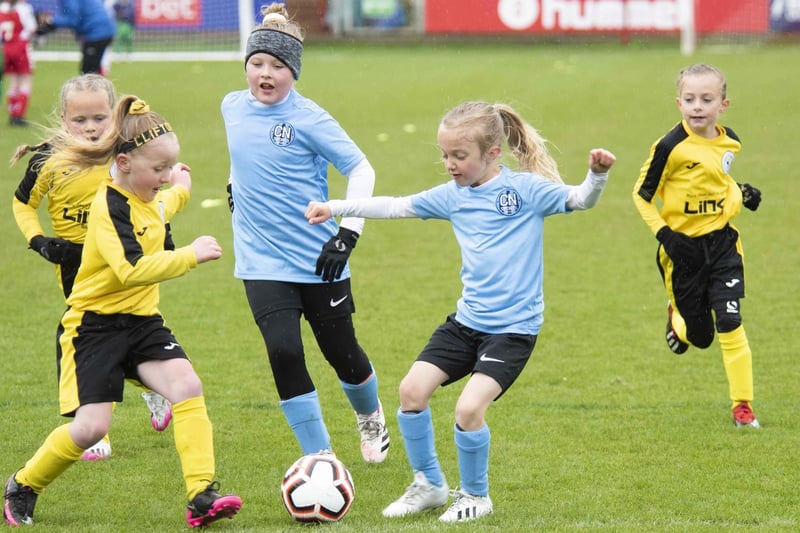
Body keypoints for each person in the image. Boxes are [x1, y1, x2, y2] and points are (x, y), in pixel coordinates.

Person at [305, 101, 616, 522]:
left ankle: (475, 496)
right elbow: (395, 205)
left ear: (492, 153)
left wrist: (597, 175)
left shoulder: (524, 190)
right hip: (466, 323)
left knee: (469, 410)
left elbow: (581, 199)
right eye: (445, 155)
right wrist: (336, 208)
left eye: (459, 156)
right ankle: (429, 485)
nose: (449, 164)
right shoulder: (452, 197)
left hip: (513, 331)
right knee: (411, 391)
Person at [3, 95, 243, 528]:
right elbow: (131, 269)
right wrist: (190, 254)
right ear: (126, 162)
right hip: (93, 326)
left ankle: (201, 496)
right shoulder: (108, 207)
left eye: (170, 168)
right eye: (159, 170)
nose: (164, 178)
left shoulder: (145, 192)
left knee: (187, 385)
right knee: (91, 429)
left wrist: (181, 188)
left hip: (142, 322)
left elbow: (164, 204)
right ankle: (23, 484)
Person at [221, 3, 390, 464]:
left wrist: (348, 234)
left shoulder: (310, 118)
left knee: (343, 354)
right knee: (283, 351)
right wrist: (234, 186)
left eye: (277, 66)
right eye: (257, 64)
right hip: (260, 259)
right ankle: (320, 458)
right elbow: (243, 156)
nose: (265, 73)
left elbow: (361, 168)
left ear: (294, 70)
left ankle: (370, 415)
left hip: (319, 257)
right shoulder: (231, 106)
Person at [12, 74, 173, 462]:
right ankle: (144, 386)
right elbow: (23, 204)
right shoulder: (48, 159)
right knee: (97, 337)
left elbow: (156, 192)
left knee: (111, 332)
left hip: (125, 254)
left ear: (114, 116)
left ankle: (95, 424)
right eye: (79, 120)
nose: (90, 128)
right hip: (74, 261)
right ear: (64, 118)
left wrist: (164, 233)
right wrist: (38, 240)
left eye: (99, 118)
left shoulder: (125, 152)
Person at [632, 63, 762, 428]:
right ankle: (677, 320)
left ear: (724, 104)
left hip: (723, 246)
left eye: (707, 99)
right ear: (678, 102)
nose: (697, 106)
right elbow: (641, 196)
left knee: (731, 321)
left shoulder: (729, 141)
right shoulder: (669, 147)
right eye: (690, 99)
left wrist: (741, 193)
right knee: (701, 337)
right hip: (682, 252)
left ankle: (743, 405)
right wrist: (667, 235)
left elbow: (717, 180)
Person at [35, 0, 115, 75]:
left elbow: (73, 20)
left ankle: (95, 88)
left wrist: (51, 21)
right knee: (93, 70)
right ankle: (98, 86)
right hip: (103, 31)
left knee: (88, 74)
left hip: (97, 33)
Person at [0, 0, 36, 125]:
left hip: (7, 48)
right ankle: (19, 116)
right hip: (20, 46)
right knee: (26, 80)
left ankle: (12, 114)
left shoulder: (3, 8)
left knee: (13, 81)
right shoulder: (24, 8)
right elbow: (32, 28)